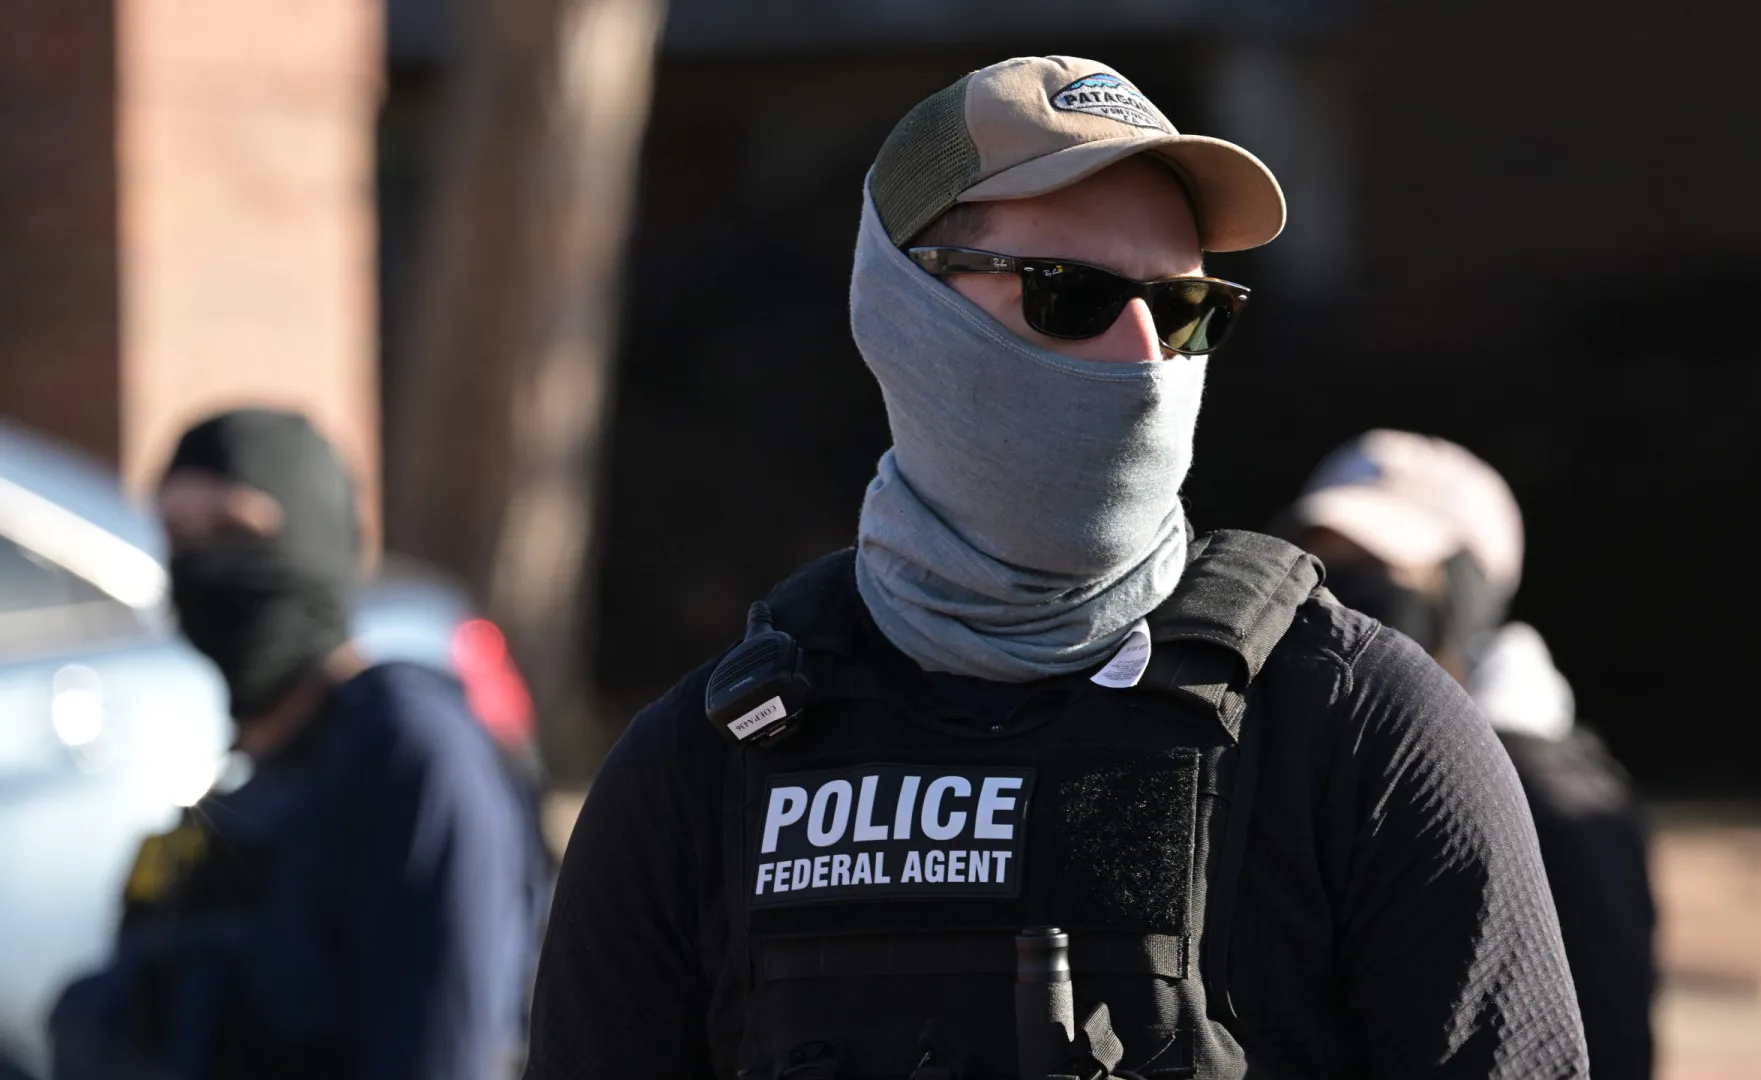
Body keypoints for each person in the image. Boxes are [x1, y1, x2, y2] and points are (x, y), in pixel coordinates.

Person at [527, 57, 1587, 1079]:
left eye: (1184, 308)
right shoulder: (702, 768)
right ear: (907, 314)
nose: (1144, 356)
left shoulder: (1364, 732)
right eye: (1070, 297)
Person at [50, 409, 546, 1080]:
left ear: (315, 541)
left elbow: (446, 1044)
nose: (206, 566)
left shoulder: (412, 757)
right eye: (179, 536)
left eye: (234, 531)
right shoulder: (241, 790)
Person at [1280, 429, 1656, 1080]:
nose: (1343, 604)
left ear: (1467, 588)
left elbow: (1605, 1040)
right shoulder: (1319, 762)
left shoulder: (1555, 798)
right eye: (1326, 568)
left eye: (1381, 568)